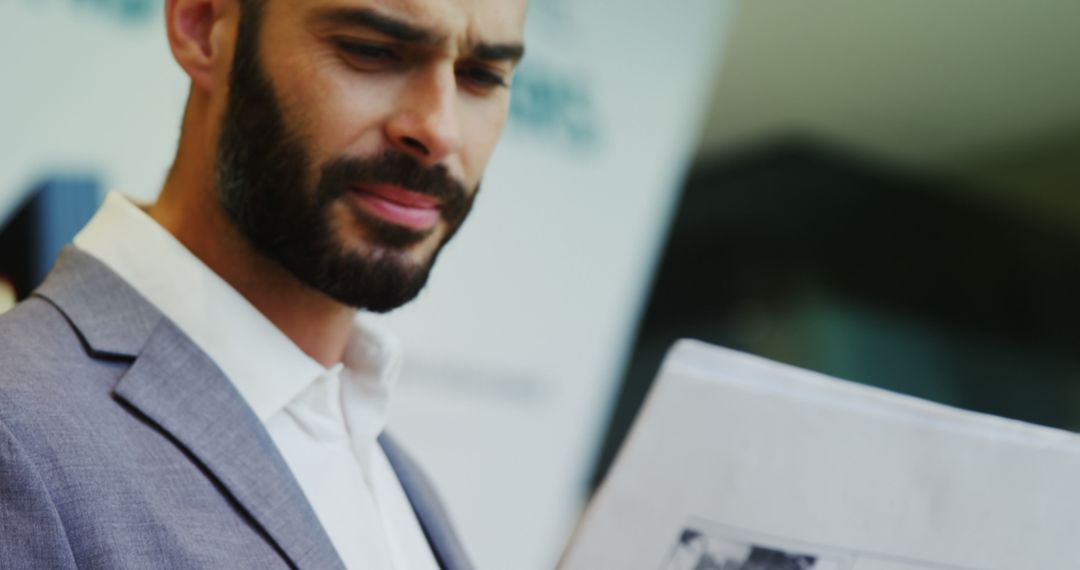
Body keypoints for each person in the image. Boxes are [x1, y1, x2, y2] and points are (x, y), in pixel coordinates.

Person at [0, 0, 526, 567]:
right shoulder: (19, 431)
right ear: (202, 25)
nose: (439, 130)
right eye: (371, 51)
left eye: (482, 76)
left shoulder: (392, 472)